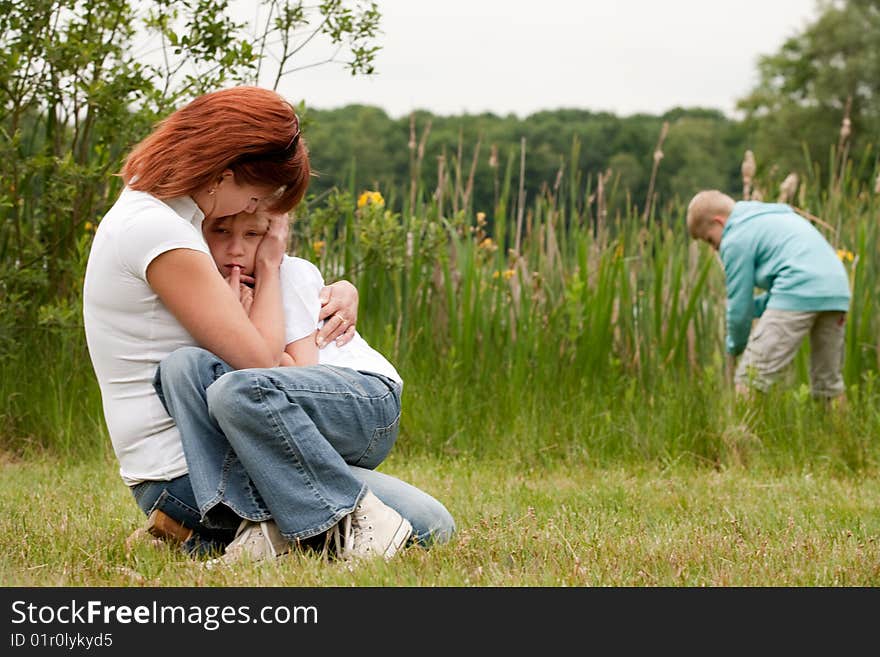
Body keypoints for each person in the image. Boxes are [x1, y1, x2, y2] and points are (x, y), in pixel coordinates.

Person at [82, 86, 454, 564]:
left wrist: (329, 286)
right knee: (426, 525)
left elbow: (278, 299)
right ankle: (251, 528)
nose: (252, 210)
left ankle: (206, 534)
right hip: (189, 471)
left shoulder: (156, 212)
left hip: (203, 459)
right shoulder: (162, 233)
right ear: (224, 174)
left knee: (202, 373)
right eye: (256, 195)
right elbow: (258, 362)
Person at [160, 209, 419, 564]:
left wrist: (261, 286)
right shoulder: (209, 287)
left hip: (363, 401)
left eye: (252, 235)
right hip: (288, 415)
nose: (236, 249)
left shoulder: (290, 273)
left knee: (236, 388)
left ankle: (370, 516)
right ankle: (257, 525)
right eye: (221, 232)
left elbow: (295, 374)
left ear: (273, 238)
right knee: (181, 366)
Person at [685, 189, 851, 400]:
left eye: (709, 240)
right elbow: (786, 291)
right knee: (828, 385)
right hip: (837, 290)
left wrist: (734, 345)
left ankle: (739, 433)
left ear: (719, 222)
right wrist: (756, 308)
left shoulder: (735, 237)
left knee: (750, 378)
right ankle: (840, 432)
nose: (715, 248)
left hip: (798, 288)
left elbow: (739, 307)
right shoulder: (774, 216)